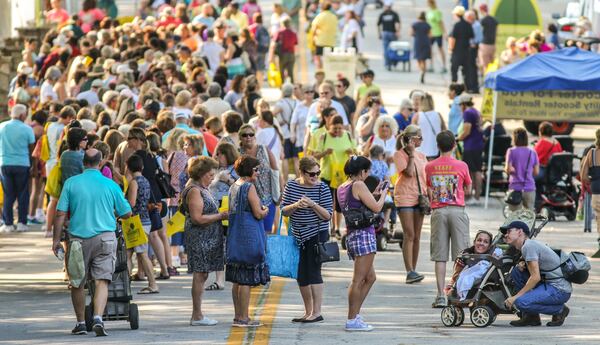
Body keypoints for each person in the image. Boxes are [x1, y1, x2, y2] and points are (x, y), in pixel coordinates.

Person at [52, 149, 132, 336]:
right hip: (105, 238)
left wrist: (56, 240)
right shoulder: (110, 185)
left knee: (77, 282)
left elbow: (60, 213)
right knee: (102, 280)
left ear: (83, 163)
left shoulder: (71, 183)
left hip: (78, 241)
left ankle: (81, 323)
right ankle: (98, 318)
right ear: (101, 162)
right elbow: (127, 212)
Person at [338, 155, 388, 331]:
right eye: (368, 171)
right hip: (363, 236)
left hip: (352, 234)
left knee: (370, 277)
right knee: (358, 280)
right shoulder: (359, 184)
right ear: (362, 171)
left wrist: (373, 195)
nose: (369, 174)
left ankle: (355, 314)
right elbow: (377, 207)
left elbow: (357, 205)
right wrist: (383, 195)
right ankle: (351, 319)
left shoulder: (343, 187)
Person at [281, 156, 333, 323]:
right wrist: (296, 205)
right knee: (301, 275)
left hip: (317, 234)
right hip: (298, 235)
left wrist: (312, 204)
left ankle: (317, 312)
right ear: (301, 172)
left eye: (318, 173)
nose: (315, 177)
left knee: (313, 271)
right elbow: (284, 211)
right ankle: (308, 311)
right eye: (311, 174)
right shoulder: (292, 185)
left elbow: (327, 216)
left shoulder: (322, 188)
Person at [425, 131, 471, 308]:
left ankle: (440, 295)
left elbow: (429, 188)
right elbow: (468, 188)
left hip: (438, 211)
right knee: (461, 254)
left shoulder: (429, 166)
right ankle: (459, 292)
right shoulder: (462, 165)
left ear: (437, 146)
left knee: (440, 255)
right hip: (457, 210)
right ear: (454, 146)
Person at [181, 156, 226, 326]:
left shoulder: (199, 187)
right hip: (199, 238)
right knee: (200, 274)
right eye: (210, 175)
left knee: (203, 274)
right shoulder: (194, 190)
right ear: (201, 174)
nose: (212, 178)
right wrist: (220, 216)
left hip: (206, 237)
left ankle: (198, 314)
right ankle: (197, 315)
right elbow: (197, 218)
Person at [227, 155, 270, 327]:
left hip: (235, 235)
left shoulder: (234, 186)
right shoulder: (248, 187)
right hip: (249, 236)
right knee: (245, 279)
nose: (258, 173)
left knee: (237, 278)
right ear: (249, 170)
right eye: (256, 169)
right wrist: (265, 210)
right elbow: (258, 213)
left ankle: (238, 316)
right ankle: (244, 318)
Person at [502, 221, 572, 327]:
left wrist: (515, 297)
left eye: (509, 231)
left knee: (520, 302)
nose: (506, 235)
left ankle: (560, 310)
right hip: (549, 284)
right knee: (517, 272)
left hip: (559, 290)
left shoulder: (528, 247)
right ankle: (532, 317)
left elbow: (535, 277)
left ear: (520, 232)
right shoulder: (526, 245)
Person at [393, 125, 427, 283]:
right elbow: (408, 172)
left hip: (419, 197)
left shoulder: (422, 156)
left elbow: (424, 177)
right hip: (404, 196)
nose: (422, 139)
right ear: (411, 139)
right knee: (409, 234)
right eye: (419, 137)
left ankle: (414, 269)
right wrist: (411, 154)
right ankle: (409, 271)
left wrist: (429, 195)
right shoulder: (399, 154)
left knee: (417, 235)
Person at [315, 115, 357, 236]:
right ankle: (327, 228)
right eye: (335, 129)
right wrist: (325, 152)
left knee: (340, 202)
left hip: (343, 174)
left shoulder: (347, 135)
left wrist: (351, 152)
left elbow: (356, 153)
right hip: (327, 174)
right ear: (330, 126)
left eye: (339, 128)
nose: (337, 131)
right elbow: (316, 155)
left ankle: (337, 228)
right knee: (328, 201)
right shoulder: (324, 137)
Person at [125, 154, 159, 295]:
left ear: (128, 167)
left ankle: (152, 284)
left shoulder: (134, 182)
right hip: (145, 221)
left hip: (135, 222)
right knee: (129, 253)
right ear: (142, 167)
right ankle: (125, 284)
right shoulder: (145, 180)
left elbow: (132, 203)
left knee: (142, 254)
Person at [238, 124, 280, 233]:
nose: (248, 137)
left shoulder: (263, 149)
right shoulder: (238, 153)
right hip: (248, 198)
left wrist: (280, 190)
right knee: (252, 232)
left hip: (267, 197)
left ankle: (265, 251)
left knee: (267, 231)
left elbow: (275, 170)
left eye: (251, 134)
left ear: (255, 137)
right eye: (245, 135)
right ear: (240, 138)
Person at [0, 105, 35, 233]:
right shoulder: (27, 129)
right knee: (22, 194)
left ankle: (8, 223)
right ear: (22, 115)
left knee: (8, 194)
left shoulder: (2, 127)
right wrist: (33, 166)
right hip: (22, 164)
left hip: (5, 163)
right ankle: (21, 222)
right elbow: (32, 149)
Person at [445, 230, 499, 299]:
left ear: (489, 246)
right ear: (474, 242)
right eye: (479, 240)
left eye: (485, 242)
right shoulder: (465, 256)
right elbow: (456, 276)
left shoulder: (492, 256)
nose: (481, 243)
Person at [456, 94, 483, 203]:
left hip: (470, 146)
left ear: (463, 104)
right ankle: (477, 195)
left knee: (471, 171)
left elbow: (467, 130)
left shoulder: (467, 113)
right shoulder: (476, 111)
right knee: (477, 170)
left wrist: (457, 139)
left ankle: (471, 196)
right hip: (478, 144)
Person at [505, 128, 539, 211]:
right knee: (529, 217)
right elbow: (536, 172)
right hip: (529, 188)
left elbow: (508, 170)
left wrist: (514, 170)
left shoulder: (511, 151)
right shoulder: (532, 152)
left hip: (515, 188)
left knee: (514, 216)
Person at [412, 93, 446, 160]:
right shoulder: (438, 115)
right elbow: (444, 132)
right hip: (435, 150)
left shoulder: (417, 116)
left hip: (420, 151)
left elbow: (411, 134)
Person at [448, 6, 474, 90]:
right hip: (466, 52)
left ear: (456, 14)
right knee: (466, 71)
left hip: (456, 52)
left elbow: (453, 38)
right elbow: (471, 37)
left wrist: (450, 49)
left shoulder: (456, 25)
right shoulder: (468, 25)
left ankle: (453, 88)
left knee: (454, 70)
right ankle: (467, 88)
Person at [310, 1, 338, 69]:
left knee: (318, 57)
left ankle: (320, 70)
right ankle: (327, 71)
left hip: (321, 41)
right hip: (331, 41)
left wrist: (313, 39)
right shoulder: (334, 17)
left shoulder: (320, 16)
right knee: (329, 58)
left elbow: (314, 28)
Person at [377, 0, 401, 71]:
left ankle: (387, 63)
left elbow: (378, 24)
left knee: (386, 49)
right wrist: (398, 32)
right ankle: (394, 62)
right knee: (394, 48)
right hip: (392, 33)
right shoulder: (394, 14)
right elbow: (397, 23)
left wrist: (379, 33)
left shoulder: (383, 14)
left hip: (385, 33)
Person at [273, 18, 298, 83]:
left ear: (282, 24)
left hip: (282, 54)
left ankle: (283, 85)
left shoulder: (280, 32)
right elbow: (295, 43)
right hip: (291, 54)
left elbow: (275, 42)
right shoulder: (293, 33)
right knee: (290, 72)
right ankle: (292, 86)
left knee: (281, 71)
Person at [426, 0, 447, 73]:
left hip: (438, 33)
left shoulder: (437, 11)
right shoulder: (429, 12)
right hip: (431, 33)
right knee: (430, 49)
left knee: (440, 49)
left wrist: (444, 32)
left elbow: (440, 22)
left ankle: (444, 66)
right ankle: (431, 66)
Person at [412, 12, 432, 84]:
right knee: (424, 59)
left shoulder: (415, 24)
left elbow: (411, 33)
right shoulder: (427, 25)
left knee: (418, 58)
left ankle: (421, 70)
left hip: (418, 42)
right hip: (425, 42)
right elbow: (430, 35)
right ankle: (423, 71)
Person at [478, 4, 498, 74]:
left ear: (481, 10)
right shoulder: (494, 20)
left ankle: (486, 80)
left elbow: (479, 32)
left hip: (484, 44)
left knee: (485, 65)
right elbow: (496, 33)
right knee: (492, 65)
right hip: (492, 44)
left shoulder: (482, 21)